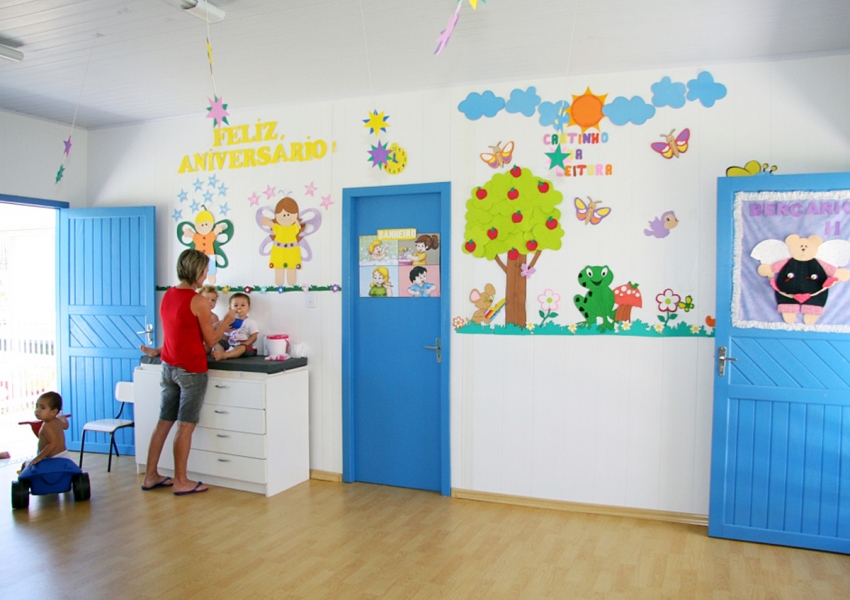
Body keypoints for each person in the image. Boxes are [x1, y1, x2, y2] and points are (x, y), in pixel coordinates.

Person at [142, 249, 235, 495]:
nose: (206, 275)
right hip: (191, 370)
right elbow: (212, 338)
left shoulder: (169, 295)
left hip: (168, 366)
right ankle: (181, 480)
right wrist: (226, 321)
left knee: (163, 422)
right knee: (186, 426)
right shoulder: (198, 301)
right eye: (205, 271)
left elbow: (179, 332)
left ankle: (150, 475)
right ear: (197, 271)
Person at [140, 285, 220, 357]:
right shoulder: (195, 313)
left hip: (206, 346)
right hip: (193, 342)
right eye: (207, 299)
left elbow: (212, 335)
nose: (210, 302)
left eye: (213, 300)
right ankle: (157, 351)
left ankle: (158, 351)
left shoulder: (214, 317)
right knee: (177, 342)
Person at [20, 391, 70, 470]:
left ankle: (24, 479)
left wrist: (39, 457)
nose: (37, 410)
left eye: (42, 408)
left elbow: (52, 444)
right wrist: (62, 417)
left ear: (53, 412)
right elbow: (66, 425)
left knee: (25, 465)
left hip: (50, 458)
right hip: (64, 455)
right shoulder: (58, 421)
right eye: (37, 406)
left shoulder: (46, 426)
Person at [261, 197, 305, 287]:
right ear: (277, 216)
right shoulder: (278, 227)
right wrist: (266, 221)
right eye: (283, 215)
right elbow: (272, 225)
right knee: (279, 266)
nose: (286, 218)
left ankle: (291, 282)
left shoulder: (294, 228)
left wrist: (297, 222)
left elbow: (298, 227)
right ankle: (279, 282)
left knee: (292, 266)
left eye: (289, 215)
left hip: (292, 250)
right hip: (279, 250)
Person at [211, 292, 259, 360]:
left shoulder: (250, 322)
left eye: (243, 305)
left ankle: (225, 355)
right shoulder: (230, 322)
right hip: (231, 346)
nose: (239, 307)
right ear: (230, 309)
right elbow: (226, 337)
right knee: (215, 341)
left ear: (248, 309)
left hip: (246, 348)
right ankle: (221, 352)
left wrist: (245, 344)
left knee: (242, 348)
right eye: (236, 305)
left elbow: (254, 337)